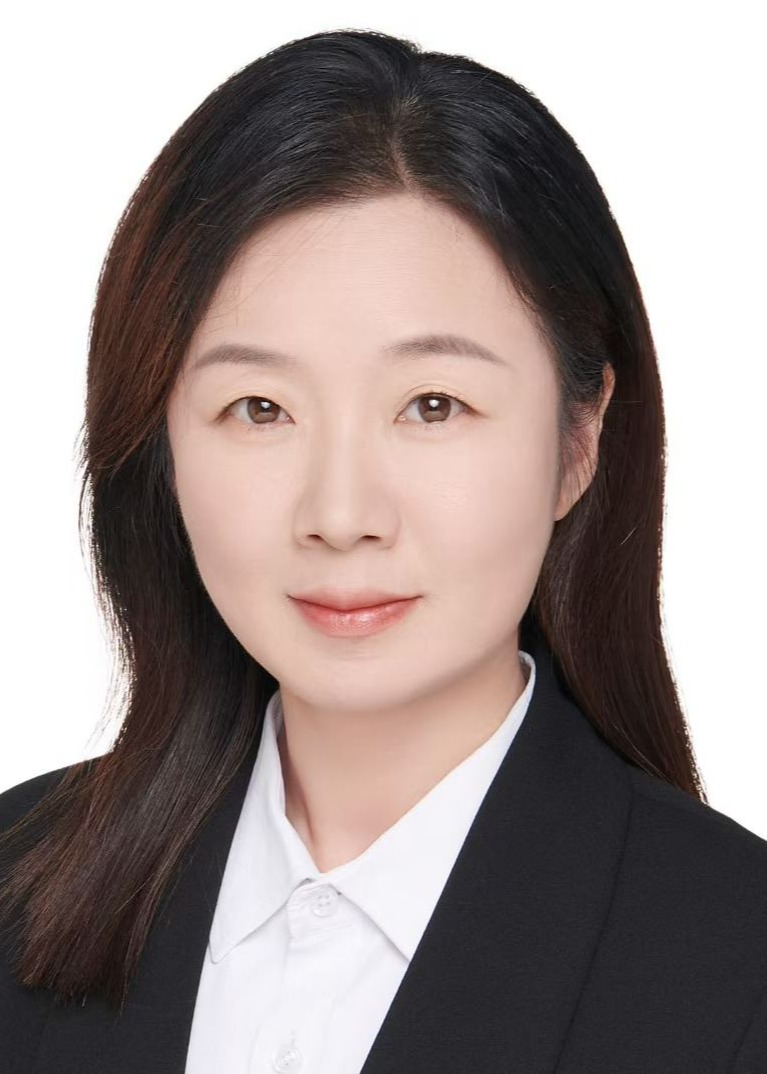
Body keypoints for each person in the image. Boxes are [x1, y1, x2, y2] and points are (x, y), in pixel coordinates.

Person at [1, 27, 766, 1074]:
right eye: (260, 407)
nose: (341, 512)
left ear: (578, 439)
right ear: (160, 446)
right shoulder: (16, 884)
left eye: (432, 404)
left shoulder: (735, 964)